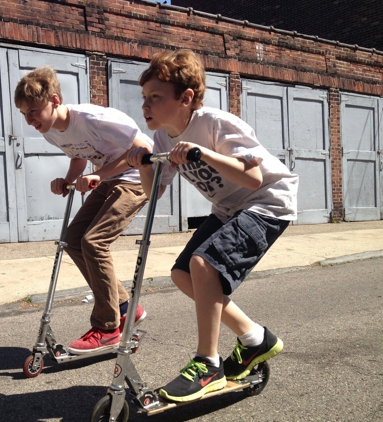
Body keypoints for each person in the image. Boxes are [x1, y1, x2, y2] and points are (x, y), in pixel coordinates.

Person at [127, 49, 298, 403]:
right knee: (182, 274)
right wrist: (144, 165)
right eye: (144, 98)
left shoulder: (216, 124)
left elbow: (253, 178)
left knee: (204, 265)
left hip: (267, 202)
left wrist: (202, 154)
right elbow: (153, 193)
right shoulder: (162, 138)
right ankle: (255, 338)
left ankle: (208, 364)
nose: (146, 105)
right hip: (228, 208)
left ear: (186, 98)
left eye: (155, 97)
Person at [14, 66, 152, 355]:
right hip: (111, 177)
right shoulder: (51, 130)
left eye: (33, 112)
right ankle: (126, 307)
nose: (29, 121)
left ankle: (107, 328)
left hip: (141, 176)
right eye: (24, 114)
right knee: (74, 239)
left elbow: (140, 150)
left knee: (94, 241)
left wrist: (99, 175)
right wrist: (67, 179)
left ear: (54, 100)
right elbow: (79, 155)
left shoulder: (94, 119)